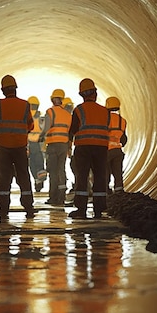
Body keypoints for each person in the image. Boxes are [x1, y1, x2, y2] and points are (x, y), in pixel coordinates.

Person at [0, 75, 36, 220]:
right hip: (20, 148)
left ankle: (4, 209)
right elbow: (31, 125)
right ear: (15, 89)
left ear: (3, 90)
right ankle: (29, 207)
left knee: (4, 179)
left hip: (3, 148)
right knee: (23, 177)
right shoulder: (25, 105)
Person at [68, 78, 110, 219]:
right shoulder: (105, 111)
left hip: (83, 147)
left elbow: (72, 130)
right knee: (100, 177)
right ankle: (98, 210)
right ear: (95, 93)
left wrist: (69, 146)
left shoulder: (79, 110)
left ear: (82, 94)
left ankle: (81, 210)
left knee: (82, 177)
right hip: (101, 148)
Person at [40, 88, 72, 205]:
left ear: (52, 99)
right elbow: (70, 131)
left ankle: (53, 197)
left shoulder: (50, 111)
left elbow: (47, 127)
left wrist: (41, 136)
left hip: (53, 144)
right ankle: (61, 197)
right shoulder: (68, 114)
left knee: (53, 171)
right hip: (63, 144)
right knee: (61, 170)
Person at [106, 96, 128, 193]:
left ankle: (106, 191)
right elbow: (124, 139)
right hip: (118, 151)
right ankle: (119, 192)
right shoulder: (122, 121)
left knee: (105, 173)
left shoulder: (105, 119)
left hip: (107, 151)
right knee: (118, 173)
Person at [27, 96, 47, 192]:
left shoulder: (26, 117)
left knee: (32, 164)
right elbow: (45, 131)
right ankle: (40, 180)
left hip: (29, 144)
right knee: (40, 163)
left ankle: (37, 180)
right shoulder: (41, 118)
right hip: (39, 143)